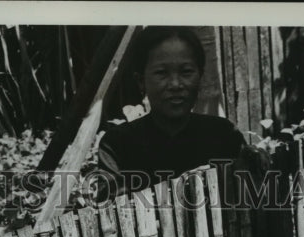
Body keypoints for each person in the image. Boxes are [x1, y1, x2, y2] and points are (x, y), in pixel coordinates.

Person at [94, 26, 263, 199]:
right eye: (161, 73)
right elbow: (112, 214)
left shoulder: (224, 136)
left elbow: (251, 201)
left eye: (186, 72)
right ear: (141, 81)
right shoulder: (117, 146)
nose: (175, 84)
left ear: (201, 76)